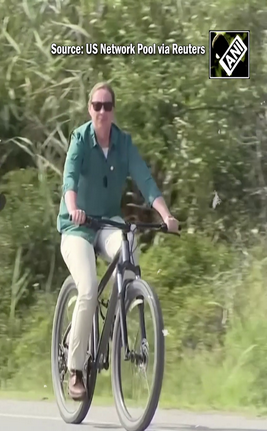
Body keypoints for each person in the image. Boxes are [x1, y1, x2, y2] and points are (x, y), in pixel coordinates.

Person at [57, 81, 179, 401]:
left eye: (107, 106)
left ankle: (121, 316)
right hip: (77, 228)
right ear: (89, 109)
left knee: (130, 253)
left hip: (108, 223)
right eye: (96, 106)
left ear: (114, 110)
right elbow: (69, 179)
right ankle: (75, 369)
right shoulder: (81, 139)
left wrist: (166, 215)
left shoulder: (123, 143)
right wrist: (73, 210)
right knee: (87, 287)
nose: (101, 111)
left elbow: (145, 180)